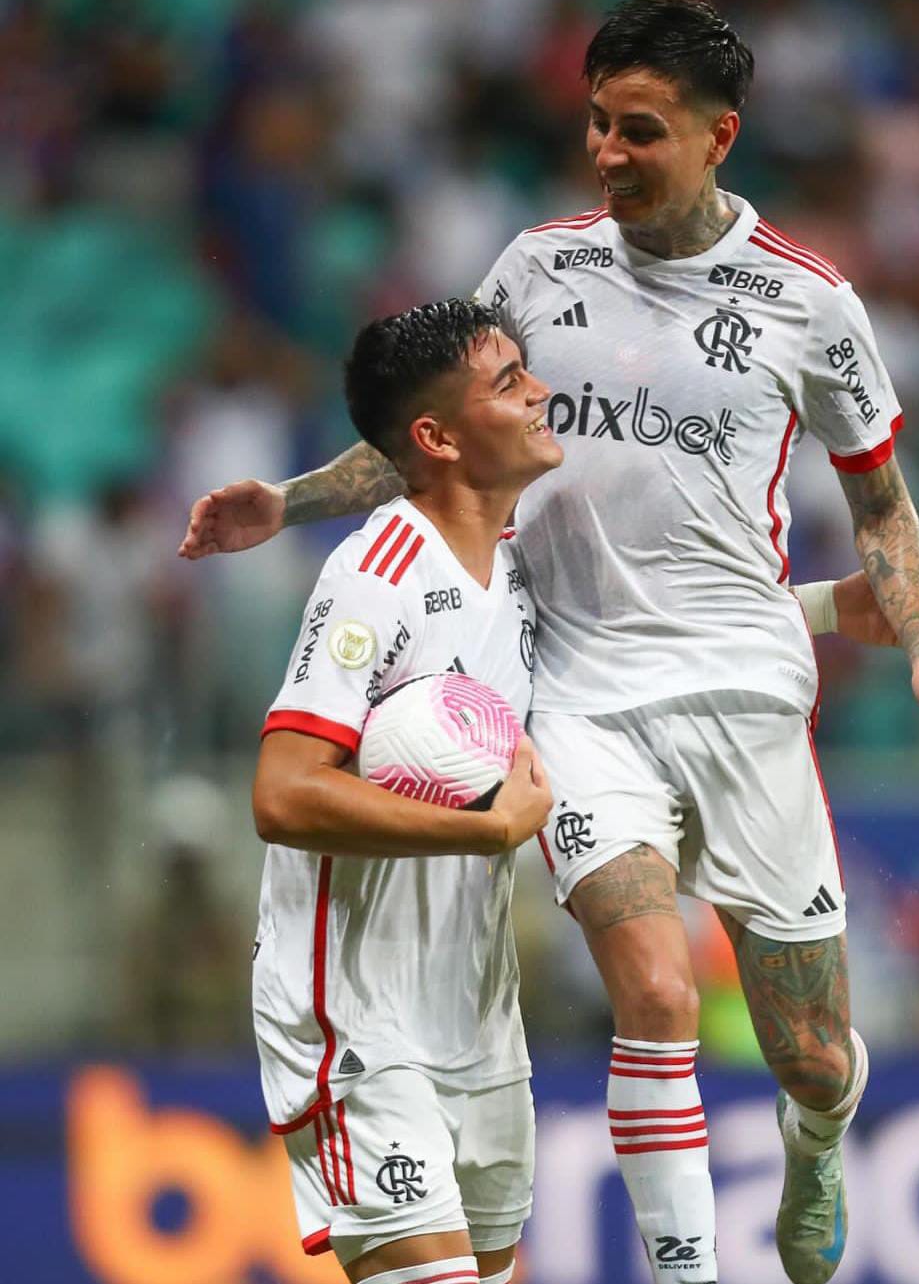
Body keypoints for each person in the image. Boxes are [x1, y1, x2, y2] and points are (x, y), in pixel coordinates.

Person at [181, 0, 919, 1284]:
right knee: (657, 992)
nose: (607, 154)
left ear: (719, 137)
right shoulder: (538, 265)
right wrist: (284, 502)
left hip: (744, 690)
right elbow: (432, 428)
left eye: (640, 132)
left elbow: (882, 505)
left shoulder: (811, 306)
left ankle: (818, 1138)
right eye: (597, 126)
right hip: (574, 688)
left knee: (815, 1053)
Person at [250, 299, 556, 1284]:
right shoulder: (375, 571)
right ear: (436, 437)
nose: (541, 393)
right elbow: (284, 794)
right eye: (509, 385)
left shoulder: (519, 569)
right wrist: (481, 832)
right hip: (356, 1019)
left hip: (475, 1013)